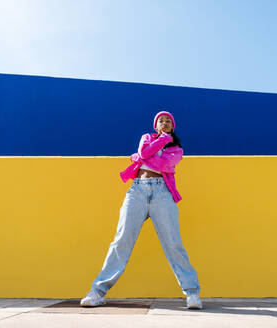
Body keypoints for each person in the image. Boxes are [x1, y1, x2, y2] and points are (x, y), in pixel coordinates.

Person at [80, 110, 202, 309]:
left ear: (173, 127)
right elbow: (145, 153)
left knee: (173, 243)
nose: (164, 123)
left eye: (168, 121)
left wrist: (142, 155)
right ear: (156, 126)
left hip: (162, 193)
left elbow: (159, 162)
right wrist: (147, 151)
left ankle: (192, 293)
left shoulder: (177, 148)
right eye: (161, 121)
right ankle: (97, 292)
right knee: (121, 241)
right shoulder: (146, 137)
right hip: (137, 190)